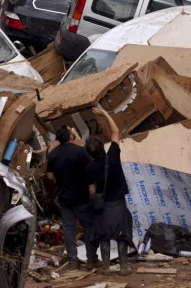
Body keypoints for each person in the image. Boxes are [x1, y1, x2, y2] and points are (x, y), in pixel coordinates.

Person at [86, 107, 133, 275]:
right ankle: (124, 267)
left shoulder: (90, 168)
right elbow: (115, 131)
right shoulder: (113, 155)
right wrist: (105, 114)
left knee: (103, 236)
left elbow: (91, 190)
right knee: (122, 235)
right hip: (119, 204)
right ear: (102, 146)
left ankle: (106, 267)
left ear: (89, 153)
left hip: (103, 207)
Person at [47, 126, 98, 270]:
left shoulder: (53, 154)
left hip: (64, 197)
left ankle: (72, 262)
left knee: (69, 229)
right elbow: (90, 171)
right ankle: (91, 260)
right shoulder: (80, 151)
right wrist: (91, 187)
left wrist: (60, 178)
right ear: (70, 137)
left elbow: (50, 176)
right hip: (82, 196)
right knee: (88, 227)